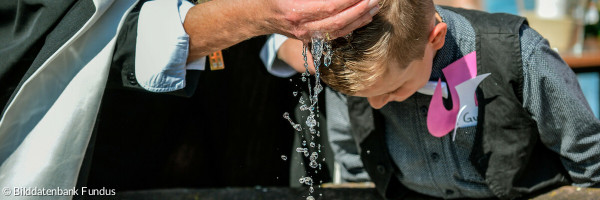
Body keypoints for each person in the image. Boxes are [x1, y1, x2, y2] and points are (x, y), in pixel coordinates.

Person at [0, 0, 379, 196]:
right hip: (109, 117)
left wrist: (278, 36)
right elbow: (63, 39)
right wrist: (260, 18)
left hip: (255, 97)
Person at [314, 0, 600, 199]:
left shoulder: (519, 53)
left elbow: (588, 159)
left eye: (393, 89)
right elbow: (352, 156)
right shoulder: (349, 62)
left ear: (435, 38)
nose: (375, 104)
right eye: (365, 96)